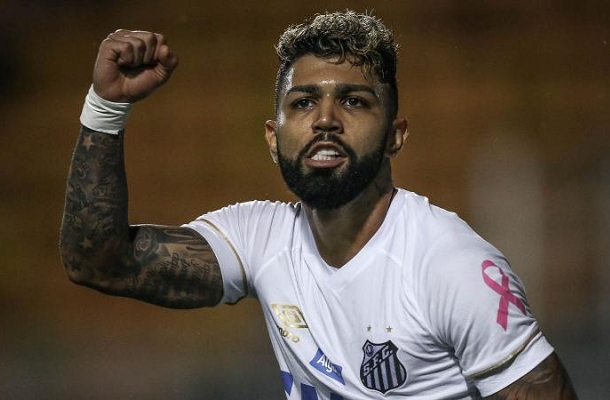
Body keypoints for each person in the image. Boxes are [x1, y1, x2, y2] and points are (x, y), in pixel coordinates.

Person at [59, 10, 578, 399]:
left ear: (395, 135)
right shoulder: (261, 239)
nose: (325, 119)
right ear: (273, 137)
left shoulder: (450, 266)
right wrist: (107, 107)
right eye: (304, 102)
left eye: (354, 101)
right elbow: (98, 261)